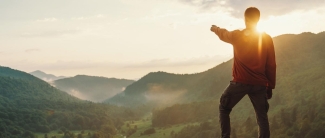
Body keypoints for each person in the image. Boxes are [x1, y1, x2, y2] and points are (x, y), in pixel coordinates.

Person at [210, 7, 276, 138]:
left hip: (239, 82)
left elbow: (224, 34)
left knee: (224, 108)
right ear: (258, 19)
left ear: (245, 19)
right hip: (260, 85)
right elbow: (271, 65)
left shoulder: (237, 36)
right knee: (262, 118)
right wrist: (270, 86)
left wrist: (215, 29)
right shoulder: (267, 39)